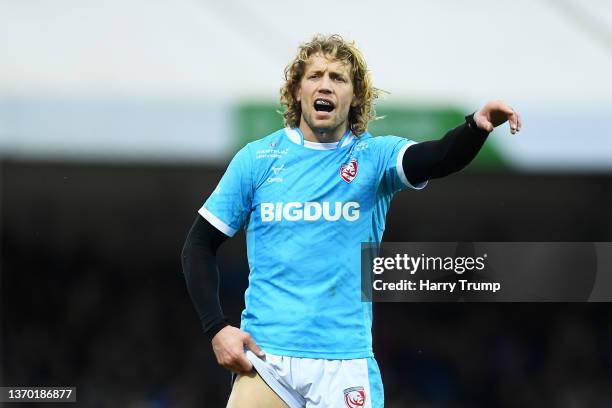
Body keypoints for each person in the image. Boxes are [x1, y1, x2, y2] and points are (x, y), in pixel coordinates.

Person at [181, 34, 522, 408]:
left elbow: (437, 157)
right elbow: (198, 245)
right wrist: (216, 329)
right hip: (267, 358)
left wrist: (475, 127)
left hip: (344, 364)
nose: (325, 84)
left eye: (338, 78)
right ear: (297, 90)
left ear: (356, 95)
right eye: (315, 76)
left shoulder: (375, 158)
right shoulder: (257, 159)